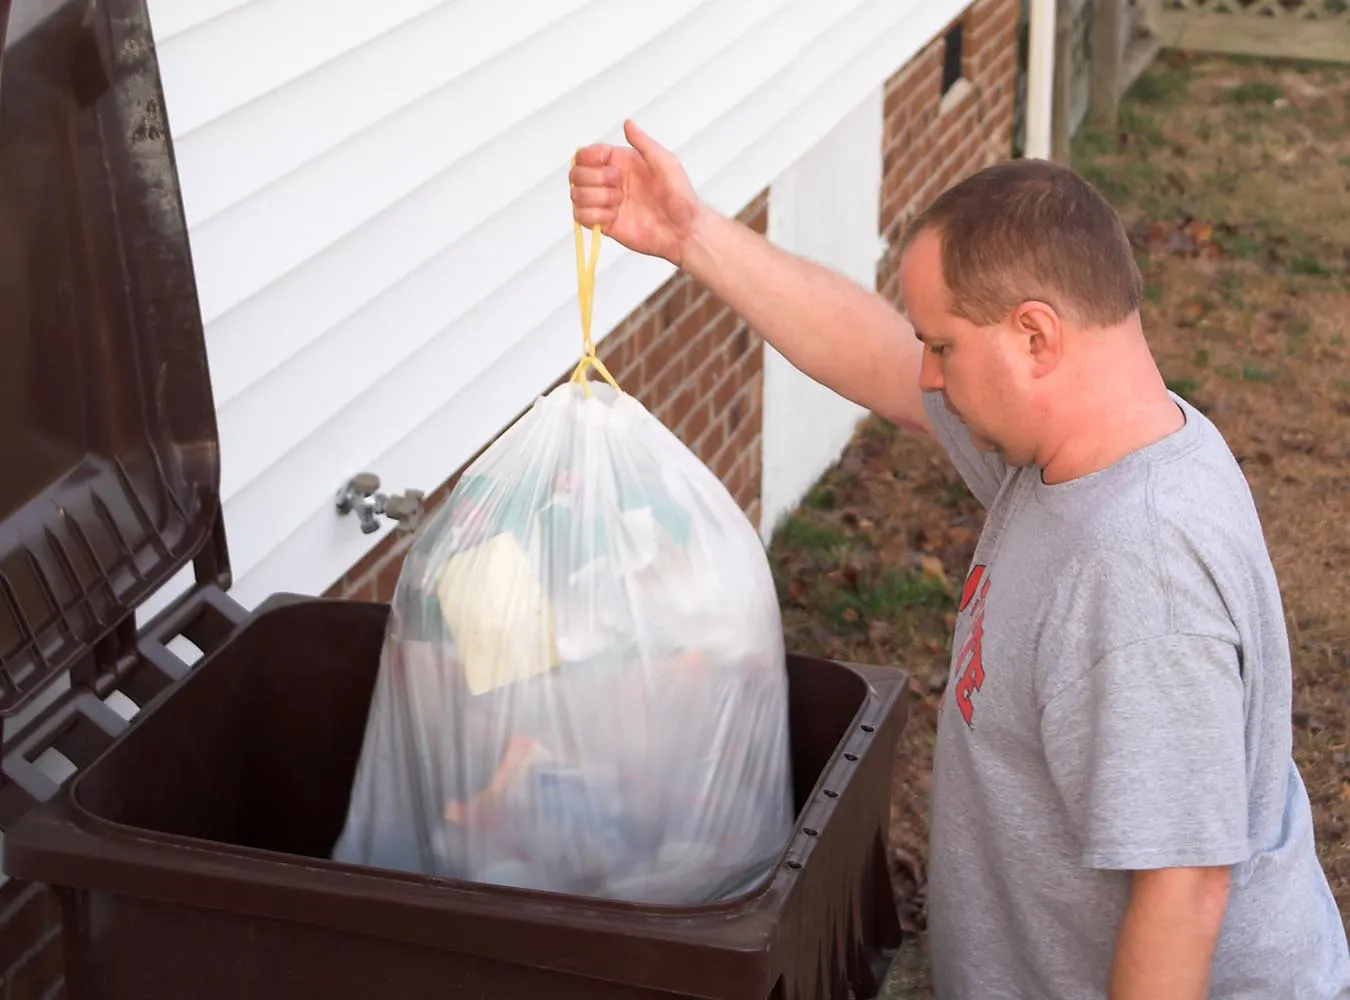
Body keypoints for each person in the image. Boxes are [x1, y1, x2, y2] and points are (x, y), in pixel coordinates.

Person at [569, 119, 1350, 999]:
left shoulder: (1141, 576)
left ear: (1035, 337)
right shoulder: (1092, 443)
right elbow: (876, 358)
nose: (929, 374)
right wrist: (689, 234)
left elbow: (1184, 890)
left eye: (943, 346)